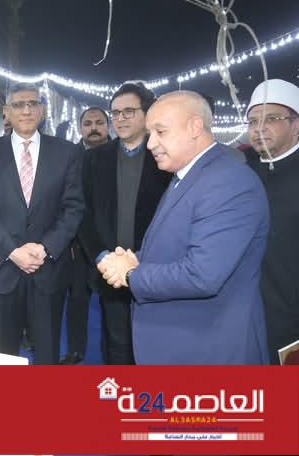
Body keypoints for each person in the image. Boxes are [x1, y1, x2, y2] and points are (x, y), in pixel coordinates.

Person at [98, 90, 270, 364]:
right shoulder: (188, 175)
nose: (150, 143)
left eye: (160, 132)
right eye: (150, 133)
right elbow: (173, 248)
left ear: (194, 127)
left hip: (209, 353)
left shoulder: (228, 182)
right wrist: (133, 259)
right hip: (182, 343)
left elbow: (202, 275)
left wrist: (131, 273)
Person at [0, 83, 84, 364]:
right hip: (3, 269)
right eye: (19, 104)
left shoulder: (66, 152)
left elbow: (73, 208)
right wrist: (12, 251)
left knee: (47, 353)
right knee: (4, 354)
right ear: (6, 111)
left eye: (32, 104)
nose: (26, 110)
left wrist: (45, 248)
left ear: (42, 110)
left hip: (48, 269)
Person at [78, 84, 172, 364]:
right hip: (110, 270)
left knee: (156, 345)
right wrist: (101, 256)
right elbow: (82, 212)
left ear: (146, 113)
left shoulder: (165, 156)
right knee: (117, 344)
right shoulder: (94, 158)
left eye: (129, 111)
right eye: (116, 113)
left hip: (156, 269)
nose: (120, 118)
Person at [245, 79, 299, 363]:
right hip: (247, 310)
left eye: (271, 119)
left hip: (290, 314)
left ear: (296, 124)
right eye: (253, 121)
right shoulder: (242, 172)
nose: (259, 128)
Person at [60, 106, 113, 365]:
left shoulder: (120, 155)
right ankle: (75, 350)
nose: (94, 128)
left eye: (99, 123)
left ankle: (114, 355)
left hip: (113, 246)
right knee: (77, 299)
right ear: (80, 128)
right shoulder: (69, 157)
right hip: (77, 245)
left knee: (113, 304)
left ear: (107, 126)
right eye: (88, 123)